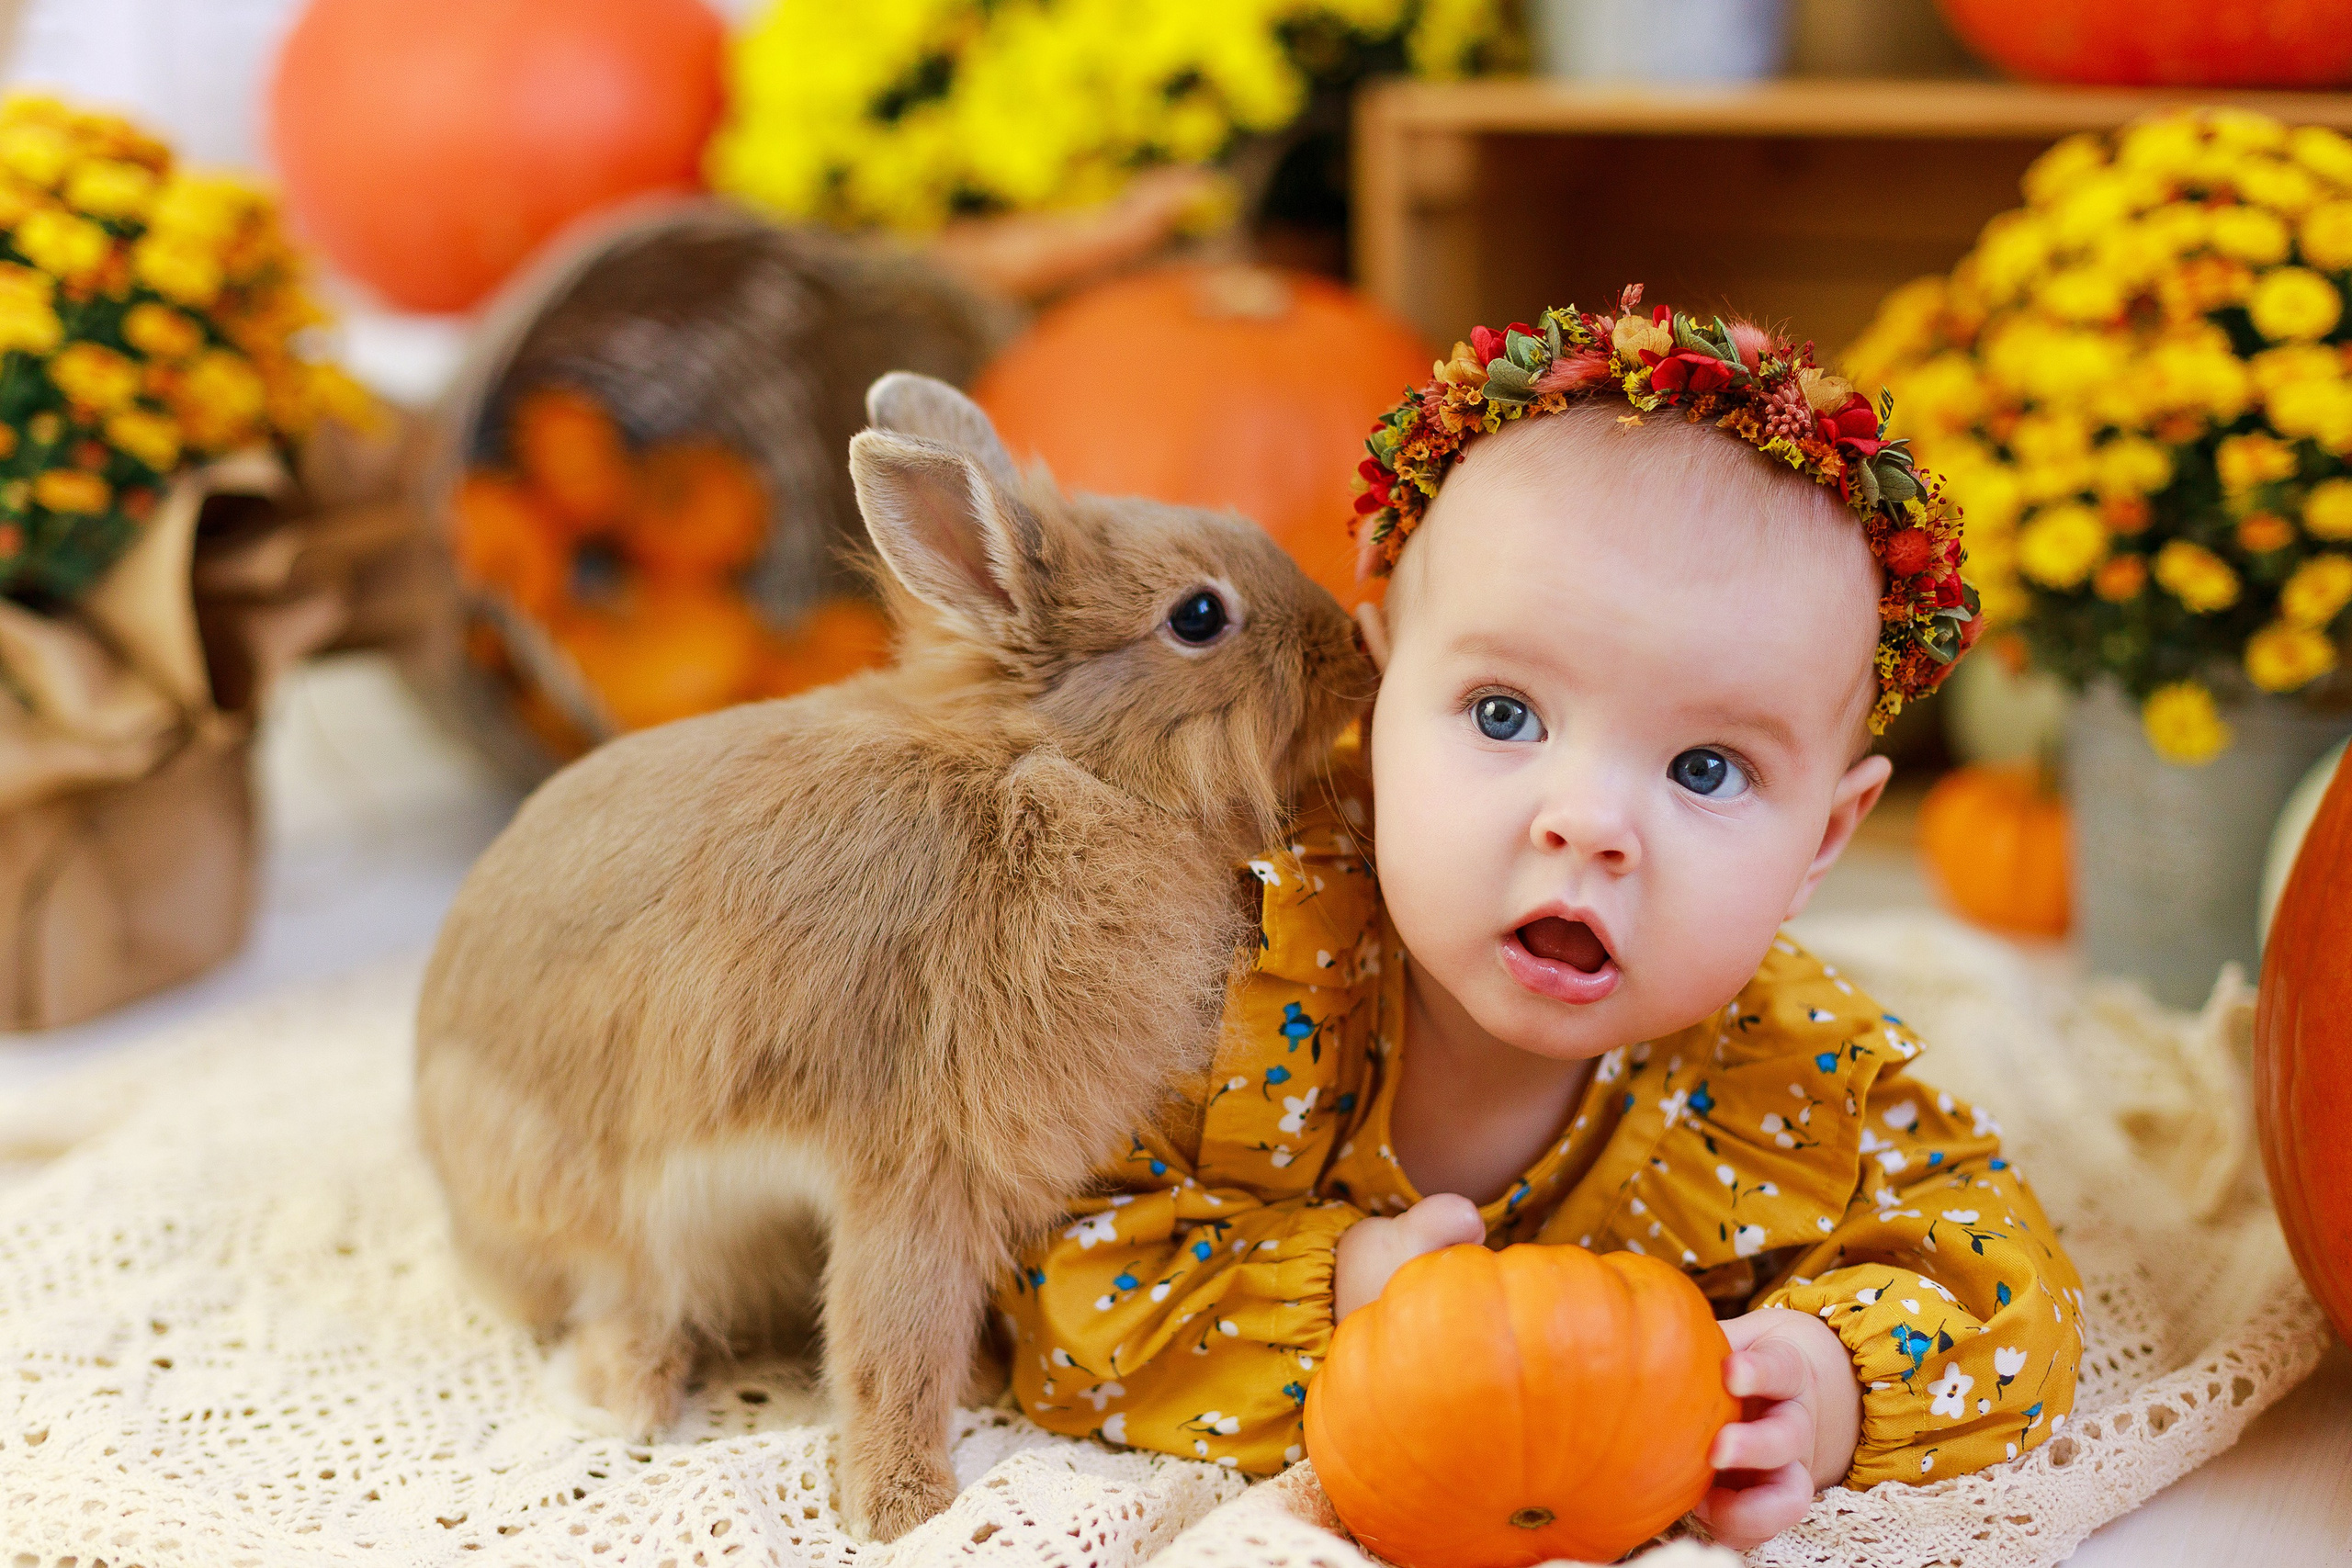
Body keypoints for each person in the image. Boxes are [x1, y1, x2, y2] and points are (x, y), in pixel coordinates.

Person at [993, 289, 2082, 1551]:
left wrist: (1833, 1386)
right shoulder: (1222, 959)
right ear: (1379, 702)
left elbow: (2012, 1283)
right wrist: (1346, 1298)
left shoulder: (1783, 1073)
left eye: (1706, 769)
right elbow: (1039, 1265)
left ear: (1823, 844)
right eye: (1505, 715)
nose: (1592, 824)